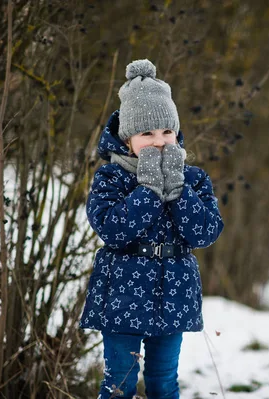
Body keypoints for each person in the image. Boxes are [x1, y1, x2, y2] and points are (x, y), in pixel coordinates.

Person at [79, 59, 224, 399]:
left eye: (166, 132)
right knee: (120, 384)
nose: (159, 141)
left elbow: (205, 232)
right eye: (147, 133)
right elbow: (112, 230)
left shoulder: (193, 178)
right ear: (128, 138)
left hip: (174, 293)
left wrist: (178, 190)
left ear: (176, 132)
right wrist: (147, 190)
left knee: (163, 381)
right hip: (122, 294)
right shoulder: (111, 177)